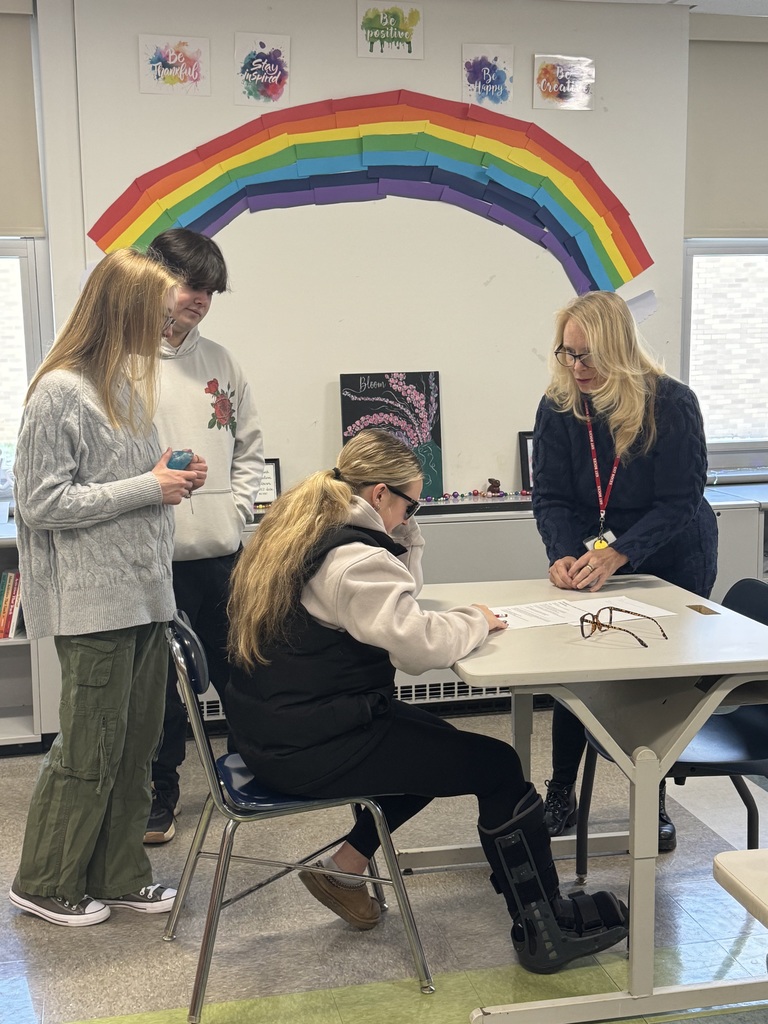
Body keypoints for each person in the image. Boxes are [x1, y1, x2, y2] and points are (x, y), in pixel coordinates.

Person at [225, 428, 629, 972]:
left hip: (280, 731)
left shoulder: (315, 528)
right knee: (498, 767)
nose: (412, 517)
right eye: (411, 504)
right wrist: (477, 621)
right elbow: (419, 648)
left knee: (437, 746)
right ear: (379, 495)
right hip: (311, 747)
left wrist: (407, 530)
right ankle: (546, 928)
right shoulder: (353, 561)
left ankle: (345, 866)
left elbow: (401, 595)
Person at [9, 248, 207, 927]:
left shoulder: (124, 385)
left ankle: (122, 874)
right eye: (156, 315)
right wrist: (150, 485)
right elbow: (40, 504)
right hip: (92, 605)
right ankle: (44, 881)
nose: (167, 329)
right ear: (121, 310)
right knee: (88, 749)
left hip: (146, 595)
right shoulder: (60, 390)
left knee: (136, 745)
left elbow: (120, 484)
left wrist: (168, 473)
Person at [531, 290, 718, 850]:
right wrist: (563, 554)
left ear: (620, 350)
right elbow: (551, 496)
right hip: (594, 551)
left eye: (588, 356)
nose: (577, 367)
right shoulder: (559, 404)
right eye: (567, 354)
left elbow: (680, 500)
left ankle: (653, 799)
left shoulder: (672, 403)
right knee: (578, 664)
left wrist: (618, 554)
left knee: (655, 680)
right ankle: (561, 791)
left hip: (672, 553)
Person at [143, 229, 264, 844]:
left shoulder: (222, 360)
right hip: (150, 561)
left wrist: (235, 511)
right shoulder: (121, 361)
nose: (202, 301)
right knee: (162, 688)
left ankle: (254, 772)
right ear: (156, 279)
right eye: (193, 287)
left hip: (221, 554)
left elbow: (250, 451)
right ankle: (160, 795)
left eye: (211, 292)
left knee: (237, 670)